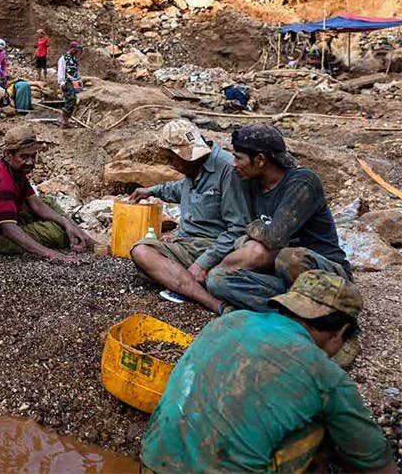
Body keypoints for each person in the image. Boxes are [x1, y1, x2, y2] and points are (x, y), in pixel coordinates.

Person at [141, 270, 394, 474]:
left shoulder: (231, 320)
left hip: (153, 461)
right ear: (341, 332)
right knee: (323, 427)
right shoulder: (325, 373)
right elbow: (377, 463)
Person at [206, 124, 352, 312]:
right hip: (282, 275)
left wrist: (252, 230)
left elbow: (274, 238)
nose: (234, 164)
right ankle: (299, 311)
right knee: (218, 281)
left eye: (238, 157)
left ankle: (326, 305)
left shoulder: (302, 182)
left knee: (290, 258)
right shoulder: (250, 184)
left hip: (325, 272)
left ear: (260, 160)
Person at [129, 120, 249, 315]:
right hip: (186, 246)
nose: (172, 165)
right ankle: (188, 281)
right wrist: (150, 191)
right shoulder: (193, 170)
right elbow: (178, 189)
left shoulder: (228, 169)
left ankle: (212, 302)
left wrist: (203, 262)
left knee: (155, 264)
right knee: (141, 251)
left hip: (215, 248)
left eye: (173, 159)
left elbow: (238, 228)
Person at [0, 125, 95, 262]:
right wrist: (52, 254)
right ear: (9, 155)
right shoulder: (2, 182)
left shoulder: (15, 171)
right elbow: (9, 230)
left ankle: (77, 233)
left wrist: (67, 223)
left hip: (4, 219)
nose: (30, 162)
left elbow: (36, 204)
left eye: (33, 156)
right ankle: (75, 237)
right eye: (24, 157)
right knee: (57, 233)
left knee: (48, 202)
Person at [56, 41, 82, 128]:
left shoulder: (74, 59)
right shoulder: (64, 58)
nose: (77, 52)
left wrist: (78, 80)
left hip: (73, 81)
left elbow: (76, 70)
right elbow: (61, 70)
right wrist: (61, 82)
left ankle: (65, 119)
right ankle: (62, 118)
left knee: (72, 100)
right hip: (66, 81)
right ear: (72, 49)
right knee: (71, 99)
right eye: (76, 50)